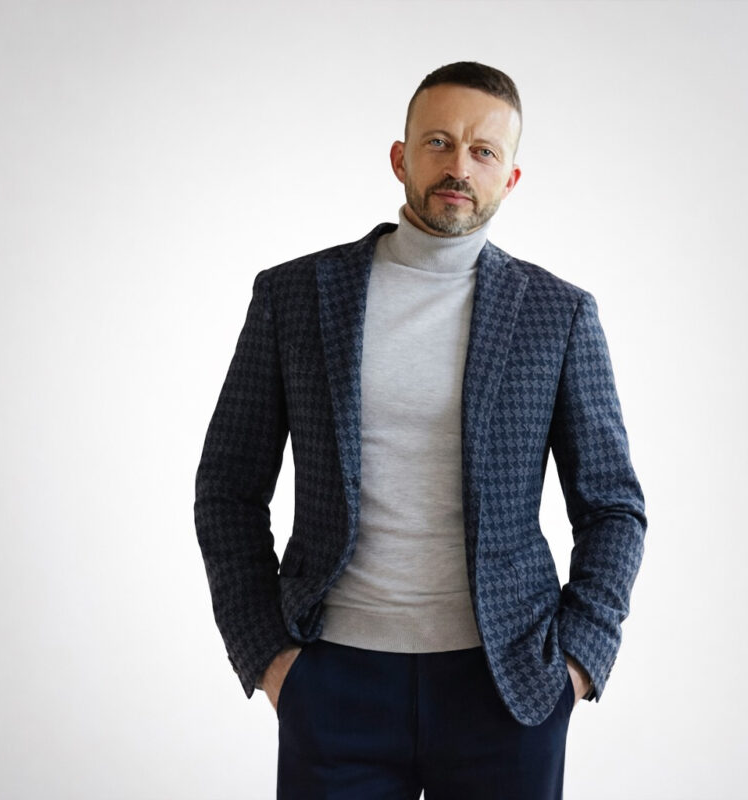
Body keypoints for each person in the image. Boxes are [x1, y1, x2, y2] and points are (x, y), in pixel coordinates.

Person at [194, 61, 647, 799]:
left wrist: (577, 664)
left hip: (508, 687)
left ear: (510, 177)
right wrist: (269, 658)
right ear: (400, 157)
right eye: (439, 142)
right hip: (332, 679)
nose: (459, 167)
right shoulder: (295, 296)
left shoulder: (557, 314)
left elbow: (612, 507)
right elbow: (227, 489)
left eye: (483, 151)